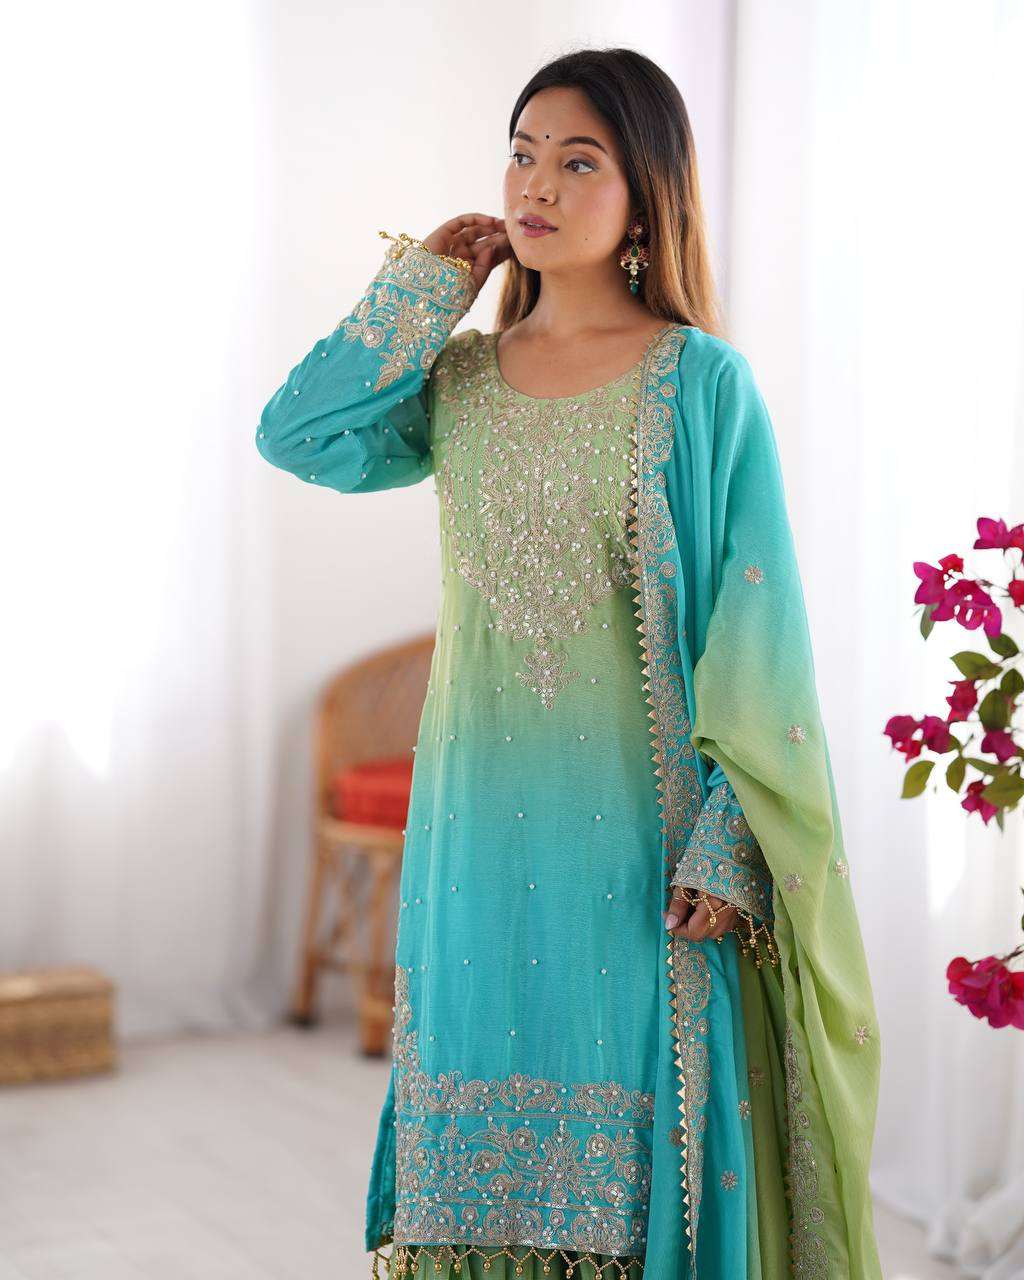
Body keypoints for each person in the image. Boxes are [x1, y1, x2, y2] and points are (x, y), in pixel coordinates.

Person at [256, 46, 882, 1280]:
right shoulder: (461, 378)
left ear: (644, 197)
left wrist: (732, 837)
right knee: (478, 1129)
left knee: (641, 1131)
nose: (536, 184)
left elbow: (756, 626)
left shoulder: (700, 381)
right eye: (522, 153)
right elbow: (299, 435)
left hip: (640, 841)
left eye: (578, 161)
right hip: (476, 835)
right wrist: (424, 286)